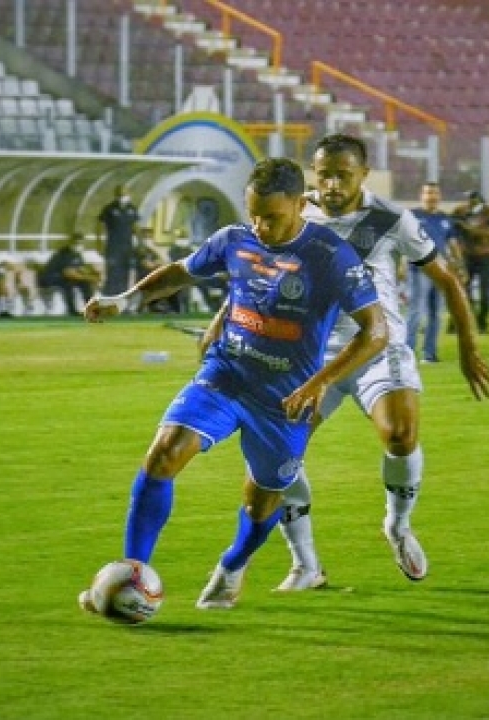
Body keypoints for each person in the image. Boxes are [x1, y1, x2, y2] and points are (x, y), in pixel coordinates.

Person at [78, 158, 389, 611]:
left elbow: (375, 331)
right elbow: (183, 270)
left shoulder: (329, 255)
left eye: (273, 216)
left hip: (284, 401)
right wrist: (126, 300)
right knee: (164, 451)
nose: (261, 226)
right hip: (226, 375)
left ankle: (232, 565)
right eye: (254, 214)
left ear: (300, 205)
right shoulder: (233, 240)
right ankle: (133, 574)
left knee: (261, 503)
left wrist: (321, 382)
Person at [204, 134, 489, 592]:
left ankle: (397, 526)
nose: (334, 183)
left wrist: (467, 349)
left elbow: (447, 278)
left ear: (364, 174)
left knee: (400, 435)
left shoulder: (390, 219)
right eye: (325, 174)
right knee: (279, 454)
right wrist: (224, 316)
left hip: (378, 347)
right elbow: (260, 266)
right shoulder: (299, 211)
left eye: (344, 174)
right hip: (309, 355)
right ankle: (305, 564)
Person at [406, 181, 461, 363]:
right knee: (416, 312)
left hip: (441, 270)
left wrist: (458, 265)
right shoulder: (412, 216)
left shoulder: (445, 219)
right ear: (421, 196)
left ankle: (430, 354)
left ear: (440, 197)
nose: (432, 197)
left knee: (435, 313)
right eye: (428, 193)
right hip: (419, 269)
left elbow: (452, 244)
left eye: (435, 193)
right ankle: (408, 354)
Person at [451, 190, 489, 334]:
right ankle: (458, 322)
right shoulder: (459, 211)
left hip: (486, 256)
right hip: (466, 255)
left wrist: (469, 228)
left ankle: (483, 322)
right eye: (467, 200)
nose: (469, 203)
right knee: (462, 291)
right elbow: (451, 231)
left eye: (472, 201)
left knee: (485, 293)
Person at [38, 232, 101, 316]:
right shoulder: (65, 254)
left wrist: (94, 276)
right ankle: (72, 310)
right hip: (50, 278)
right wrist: (90, 278)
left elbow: (81, 269)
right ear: (72, 242)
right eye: (77, 242)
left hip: (63, 277)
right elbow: (69, 273)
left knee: (85, 283)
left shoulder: (77, 255)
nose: (80, 245)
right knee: (68, 283)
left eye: (81, 242)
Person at [97, 184, 139, 296]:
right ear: (116, 195)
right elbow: (101, 227)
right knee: (113, 273)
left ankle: (122, 298)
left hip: (127, 247)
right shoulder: (109, 209)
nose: (123, 196)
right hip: (113, 246)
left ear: (129, 194)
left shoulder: (132, 208)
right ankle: (109, 298)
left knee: (125, 273)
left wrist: (139, 243)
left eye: (125, 193)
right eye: (120, 194)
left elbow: (135, 226)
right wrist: (100, 244)